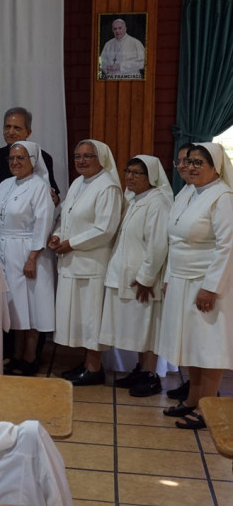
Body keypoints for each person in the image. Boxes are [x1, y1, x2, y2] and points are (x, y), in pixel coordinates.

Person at [157, 143, 233, 430]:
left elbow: (227, 247)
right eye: (188, 161)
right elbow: (175, 241)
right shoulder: (188, 192)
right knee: (192, 344)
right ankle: (192, 399)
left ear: (216, 166)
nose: (191, 167)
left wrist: (210, 287)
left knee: (209, 347)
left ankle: (207, 407)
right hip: (181, 279)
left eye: (198, 162)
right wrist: (168, 277)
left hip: (206, 283)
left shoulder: (223, 198)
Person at [48, 139, 122, 386]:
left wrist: (71, 243)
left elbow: (105, 229)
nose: (81, 161)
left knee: (91, 318)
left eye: (88, 156)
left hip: (92, 263)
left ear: (101, 158)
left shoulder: (108, 187)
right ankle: (86, 363)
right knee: (79, 317)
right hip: (72, 261)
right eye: (78, 156)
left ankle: (94, 367)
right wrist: (57, 234)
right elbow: (66, 217)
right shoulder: (78, 182)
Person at [98, 156, 172, 397]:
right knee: (137, 329)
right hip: (125, 274)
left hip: (143, 279)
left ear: (151, 177)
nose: (129, 177)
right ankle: (140, 370)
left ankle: (151, 376)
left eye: (136, 173)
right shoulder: (133, 199)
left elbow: (158, 245)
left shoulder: (158, 202)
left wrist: (146, 277)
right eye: (127, 171)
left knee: (147, 328)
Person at [0, 141, 56, 376]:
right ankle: (16, 355)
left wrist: (32, 258)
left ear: (32, 161)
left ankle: (30, 357)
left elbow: (43, 224)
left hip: (29, 252)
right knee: (14, 307)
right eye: (11, 158)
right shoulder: (4, 184)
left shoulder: (40, 187)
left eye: (20, 158)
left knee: (32, 307)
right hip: (5, 252)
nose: (14, 162)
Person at [0, 107, 61, 205]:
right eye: (7, 127)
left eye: (17, 128)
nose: (10, 132)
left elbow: (54, 197)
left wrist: (54, 199)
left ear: (28, 132)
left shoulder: (42, 157)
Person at [165, 142, 194, 402]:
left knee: (198, 336)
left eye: (189, 161)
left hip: (197, 276)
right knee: (186, 335)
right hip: (178, 272)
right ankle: (194, 385)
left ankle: (201, 391)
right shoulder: (184, 191)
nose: (183, 166)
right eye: (180, 161)